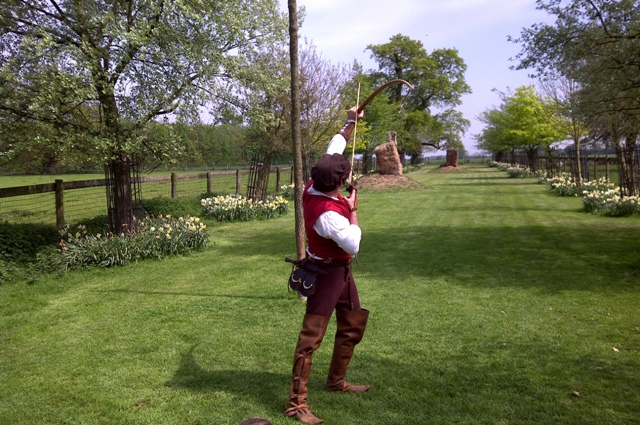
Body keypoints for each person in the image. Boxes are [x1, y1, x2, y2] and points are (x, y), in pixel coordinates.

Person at [285, 106, 370, 425]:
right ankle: (296, 404)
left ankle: (336, 381)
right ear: (341, 181)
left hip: (340, 272)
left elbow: (334, 148)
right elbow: (353, 243)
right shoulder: (328, 215)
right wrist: (353, 211)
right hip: (326, 273)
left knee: (351, 322)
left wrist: (350, 121)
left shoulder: (315, 181)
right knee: (310, 338)